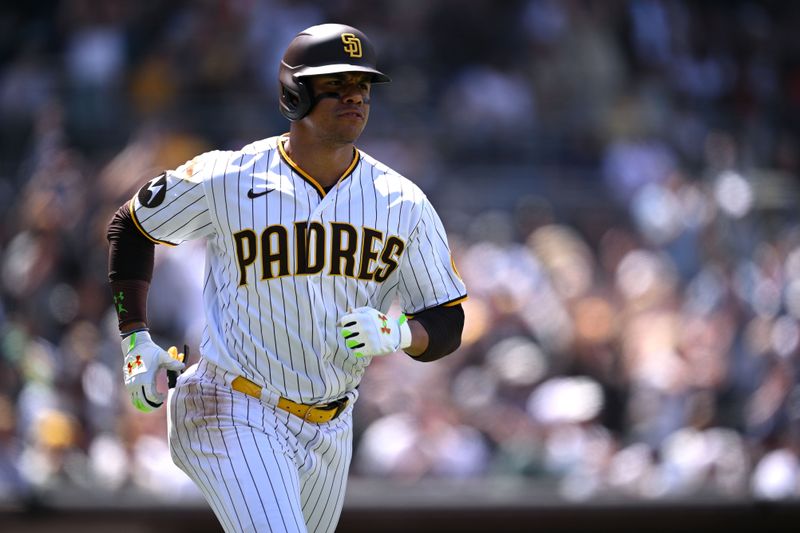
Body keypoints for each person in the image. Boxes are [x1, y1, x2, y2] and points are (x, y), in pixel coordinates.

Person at [106, 23, 467, 533]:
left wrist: (402, 333)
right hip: (231, 402)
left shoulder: (403, 202)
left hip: (331, 423)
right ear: (294, 94)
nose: (354, 97)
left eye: (361, 85)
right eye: (336, 85)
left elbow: (448, 319)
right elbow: (133, 226)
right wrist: (135, 339)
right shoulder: (229, 176)